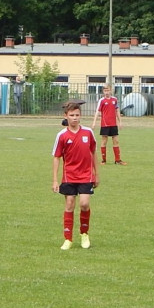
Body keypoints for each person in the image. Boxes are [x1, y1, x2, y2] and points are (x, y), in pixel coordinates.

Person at [52, 100, 99, 250]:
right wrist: (55, 180)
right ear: (66, 116)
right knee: (70, 204)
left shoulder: (88, 133)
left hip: (86, 175)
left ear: (81, 116)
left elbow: (93, 153)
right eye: (71, 115)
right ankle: (68, 239)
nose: (75, 118)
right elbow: (56, 157)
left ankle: (84, 234)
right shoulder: (62, 135)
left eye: (77, 115)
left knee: (84, 204)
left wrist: (96, 174)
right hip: (69, 176)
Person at [92, 84, 126, 165]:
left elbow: (117, 111)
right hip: (105, 124)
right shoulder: (102, 101)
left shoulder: (115, 99)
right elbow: (97, 112)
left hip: (113, 124)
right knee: (104, 141)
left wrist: (120, 122)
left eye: (108, 90)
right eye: (105, 90)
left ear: (111, 90)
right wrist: (94, 122)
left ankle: (117, 160)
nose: (106, 92)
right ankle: (103, 160)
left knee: (116, 141)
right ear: (103, 91)